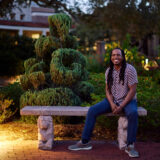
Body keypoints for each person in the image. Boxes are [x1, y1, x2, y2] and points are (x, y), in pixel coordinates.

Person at [68, 48, 139, 158]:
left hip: (127, 101)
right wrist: (111, 103)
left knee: (133, 113)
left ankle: (130, 145)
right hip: (113, 100)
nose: (116, 57)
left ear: (123, 57)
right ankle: (85, 142)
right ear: (111, 57)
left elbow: (132, 90)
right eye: (113, 55)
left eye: (118, 55)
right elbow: (107, 90)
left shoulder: (130, 70)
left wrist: (121, 106)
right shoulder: (108, 71)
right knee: (92, 110)